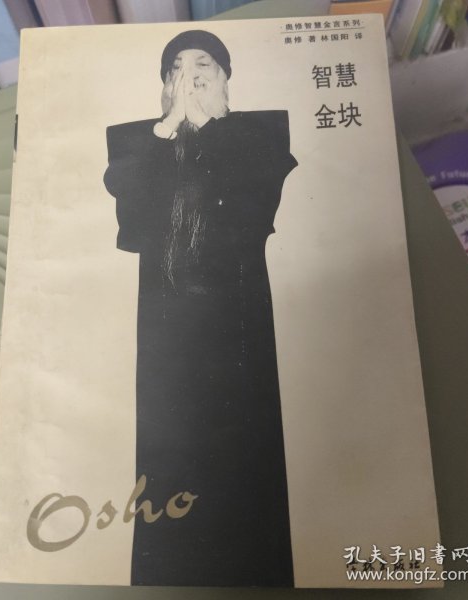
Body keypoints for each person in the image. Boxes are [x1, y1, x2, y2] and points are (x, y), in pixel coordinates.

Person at [104, 30, 297, 586]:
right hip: (167, 326)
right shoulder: (139, 141)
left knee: (246, 443)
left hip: (238, 317)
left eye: (205, 64)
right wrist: (169, 128)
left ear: (227, 77)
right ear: (164, 84)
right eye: (176, 68)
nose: (190, 76)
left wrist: (211, 126)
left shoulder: (258, 135)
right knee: (171, 445)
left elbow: (254, 217)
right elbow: (133, 229)